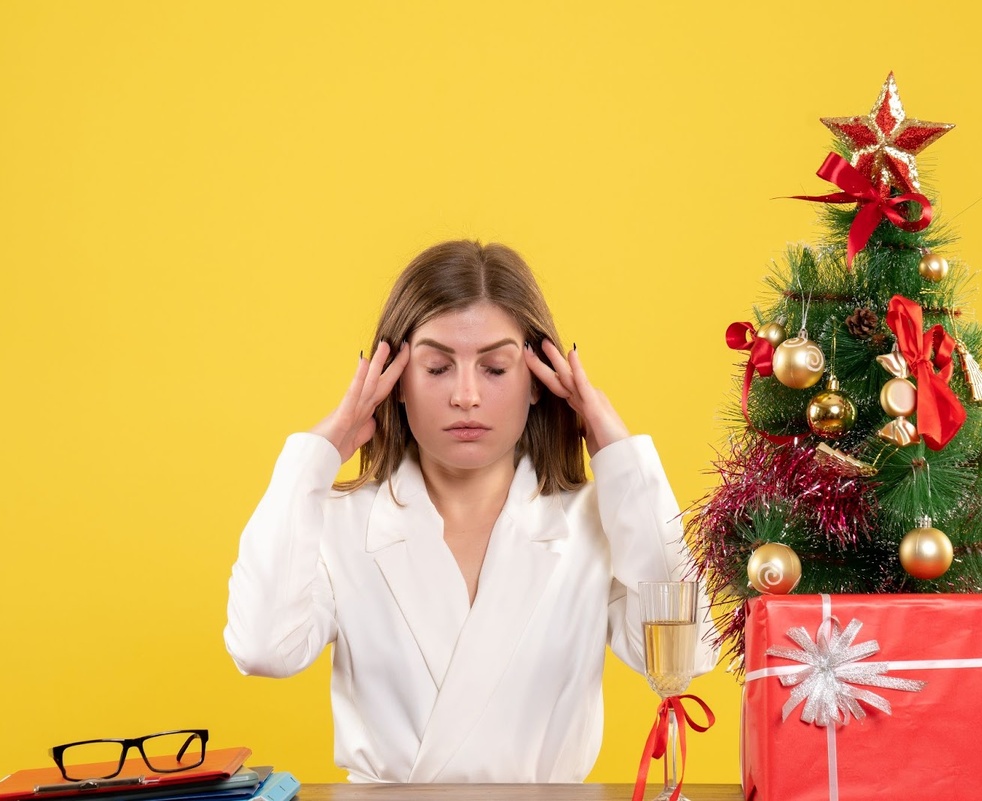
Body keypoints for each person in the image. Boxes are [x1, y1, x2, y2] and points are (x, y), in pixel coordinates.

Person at [224, 240, 716, 783]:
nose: (465, 396)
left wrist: (619, 453)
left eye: (495, 369)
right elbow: (263, 648)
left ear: (536, 382)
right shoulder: (340, 521)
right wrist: (311, 459)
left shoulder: (594, 521)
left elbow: (687, 653)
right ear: (395, 383)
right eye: (436, 367)